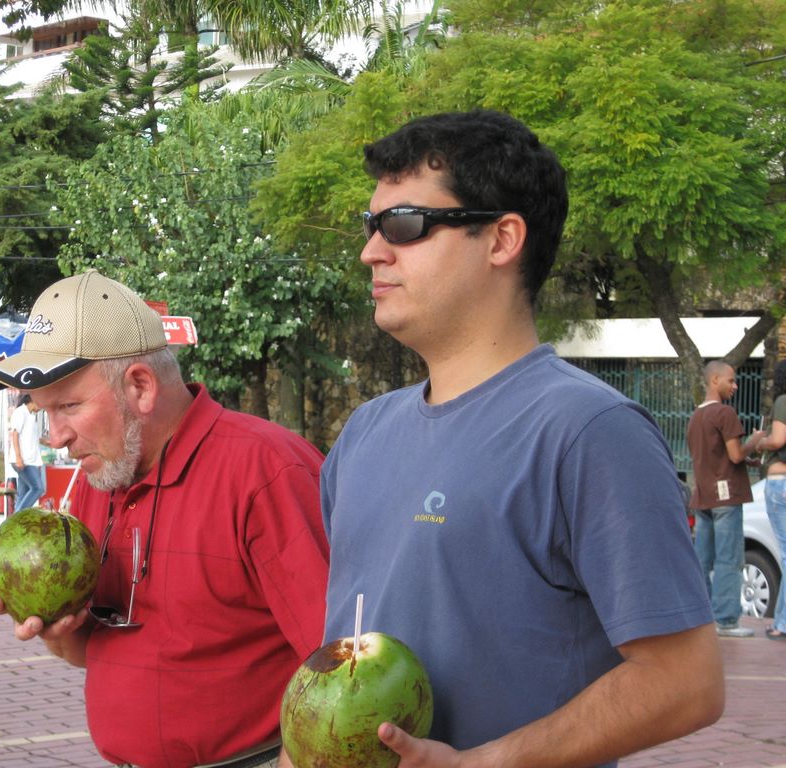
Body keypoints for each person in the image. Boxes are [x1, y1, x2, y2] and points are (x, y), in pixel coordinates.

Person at [316, 110, 724, 768]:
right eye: (371, 226)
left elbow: (686, 683)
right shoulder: (363, 435)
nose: (371, 251)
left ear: (503, 239)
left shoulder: (589, 432)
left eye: (404, 225)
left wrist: (488, 761)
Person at [0, 270, 329, 768]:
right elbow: (98, 652)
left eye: (69, 406)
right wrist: (59, 633)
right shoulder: (103, 477)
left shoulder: (266, 472)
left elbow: (342, 661)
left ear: (140, 387)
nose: (55, 437)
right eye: (43, 412)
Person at [687, 359, 764, 638]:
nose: (735, 385)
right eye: (730, 380)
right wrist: (754, 441)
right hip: (726, 496)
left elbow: (713, 456)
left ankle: (701, 617)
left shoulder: (696, 416)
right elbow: (734, 455)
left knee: (702, 560)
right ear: (714, 380)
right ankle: (728, 620)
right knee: (729, 559)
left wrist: (746, 459)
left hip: (703, 495)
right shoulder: (725, 413)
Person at [755, 360, 786, 640]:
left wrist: (761, 441)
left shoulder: (783, 401)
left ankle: (783, 624)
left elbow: (778, 440)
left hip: (780, 481)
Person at [9, 393, 45, 511]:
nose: (42, 407)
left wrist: (49, 443)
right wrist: (18, 457)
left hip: (31, 461)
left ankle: (14, 524)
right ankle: (17, 517)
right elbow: (15, 434)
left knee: (22, 495)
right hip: (24, 461)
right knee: (38, 488)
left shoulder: (31, 416)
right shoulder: (20, 412)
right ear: (33, 400)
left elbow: (33, 438)